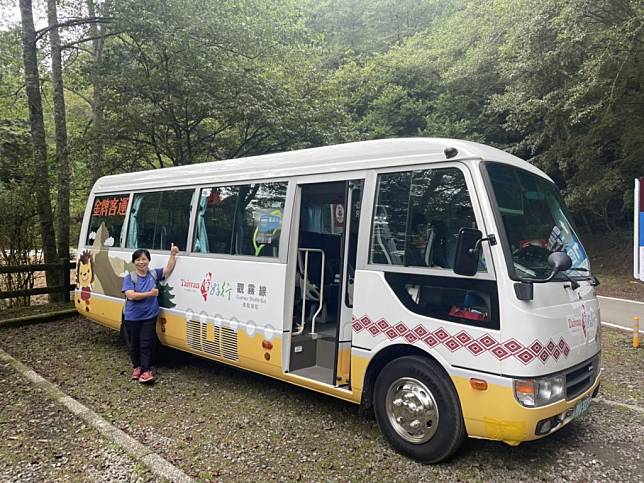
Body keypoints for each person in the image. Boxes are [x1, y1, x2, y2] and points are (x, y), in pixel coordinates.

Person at [122, 244, 179, 383]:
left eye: (144, 259)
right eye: (138, 260)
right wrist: (150, 294)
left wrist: (172, 254)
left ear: (148, 260)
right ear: (134, 262)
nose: (141, 262)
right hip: (132, 317)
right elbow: (131, 296)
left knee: (146, 343)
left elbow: (168, 269)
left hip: (149, 316)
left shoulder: (153, 274)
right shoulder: (130, 277)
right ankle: (136, 367)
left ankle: (146, 371)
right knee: (133, 344)